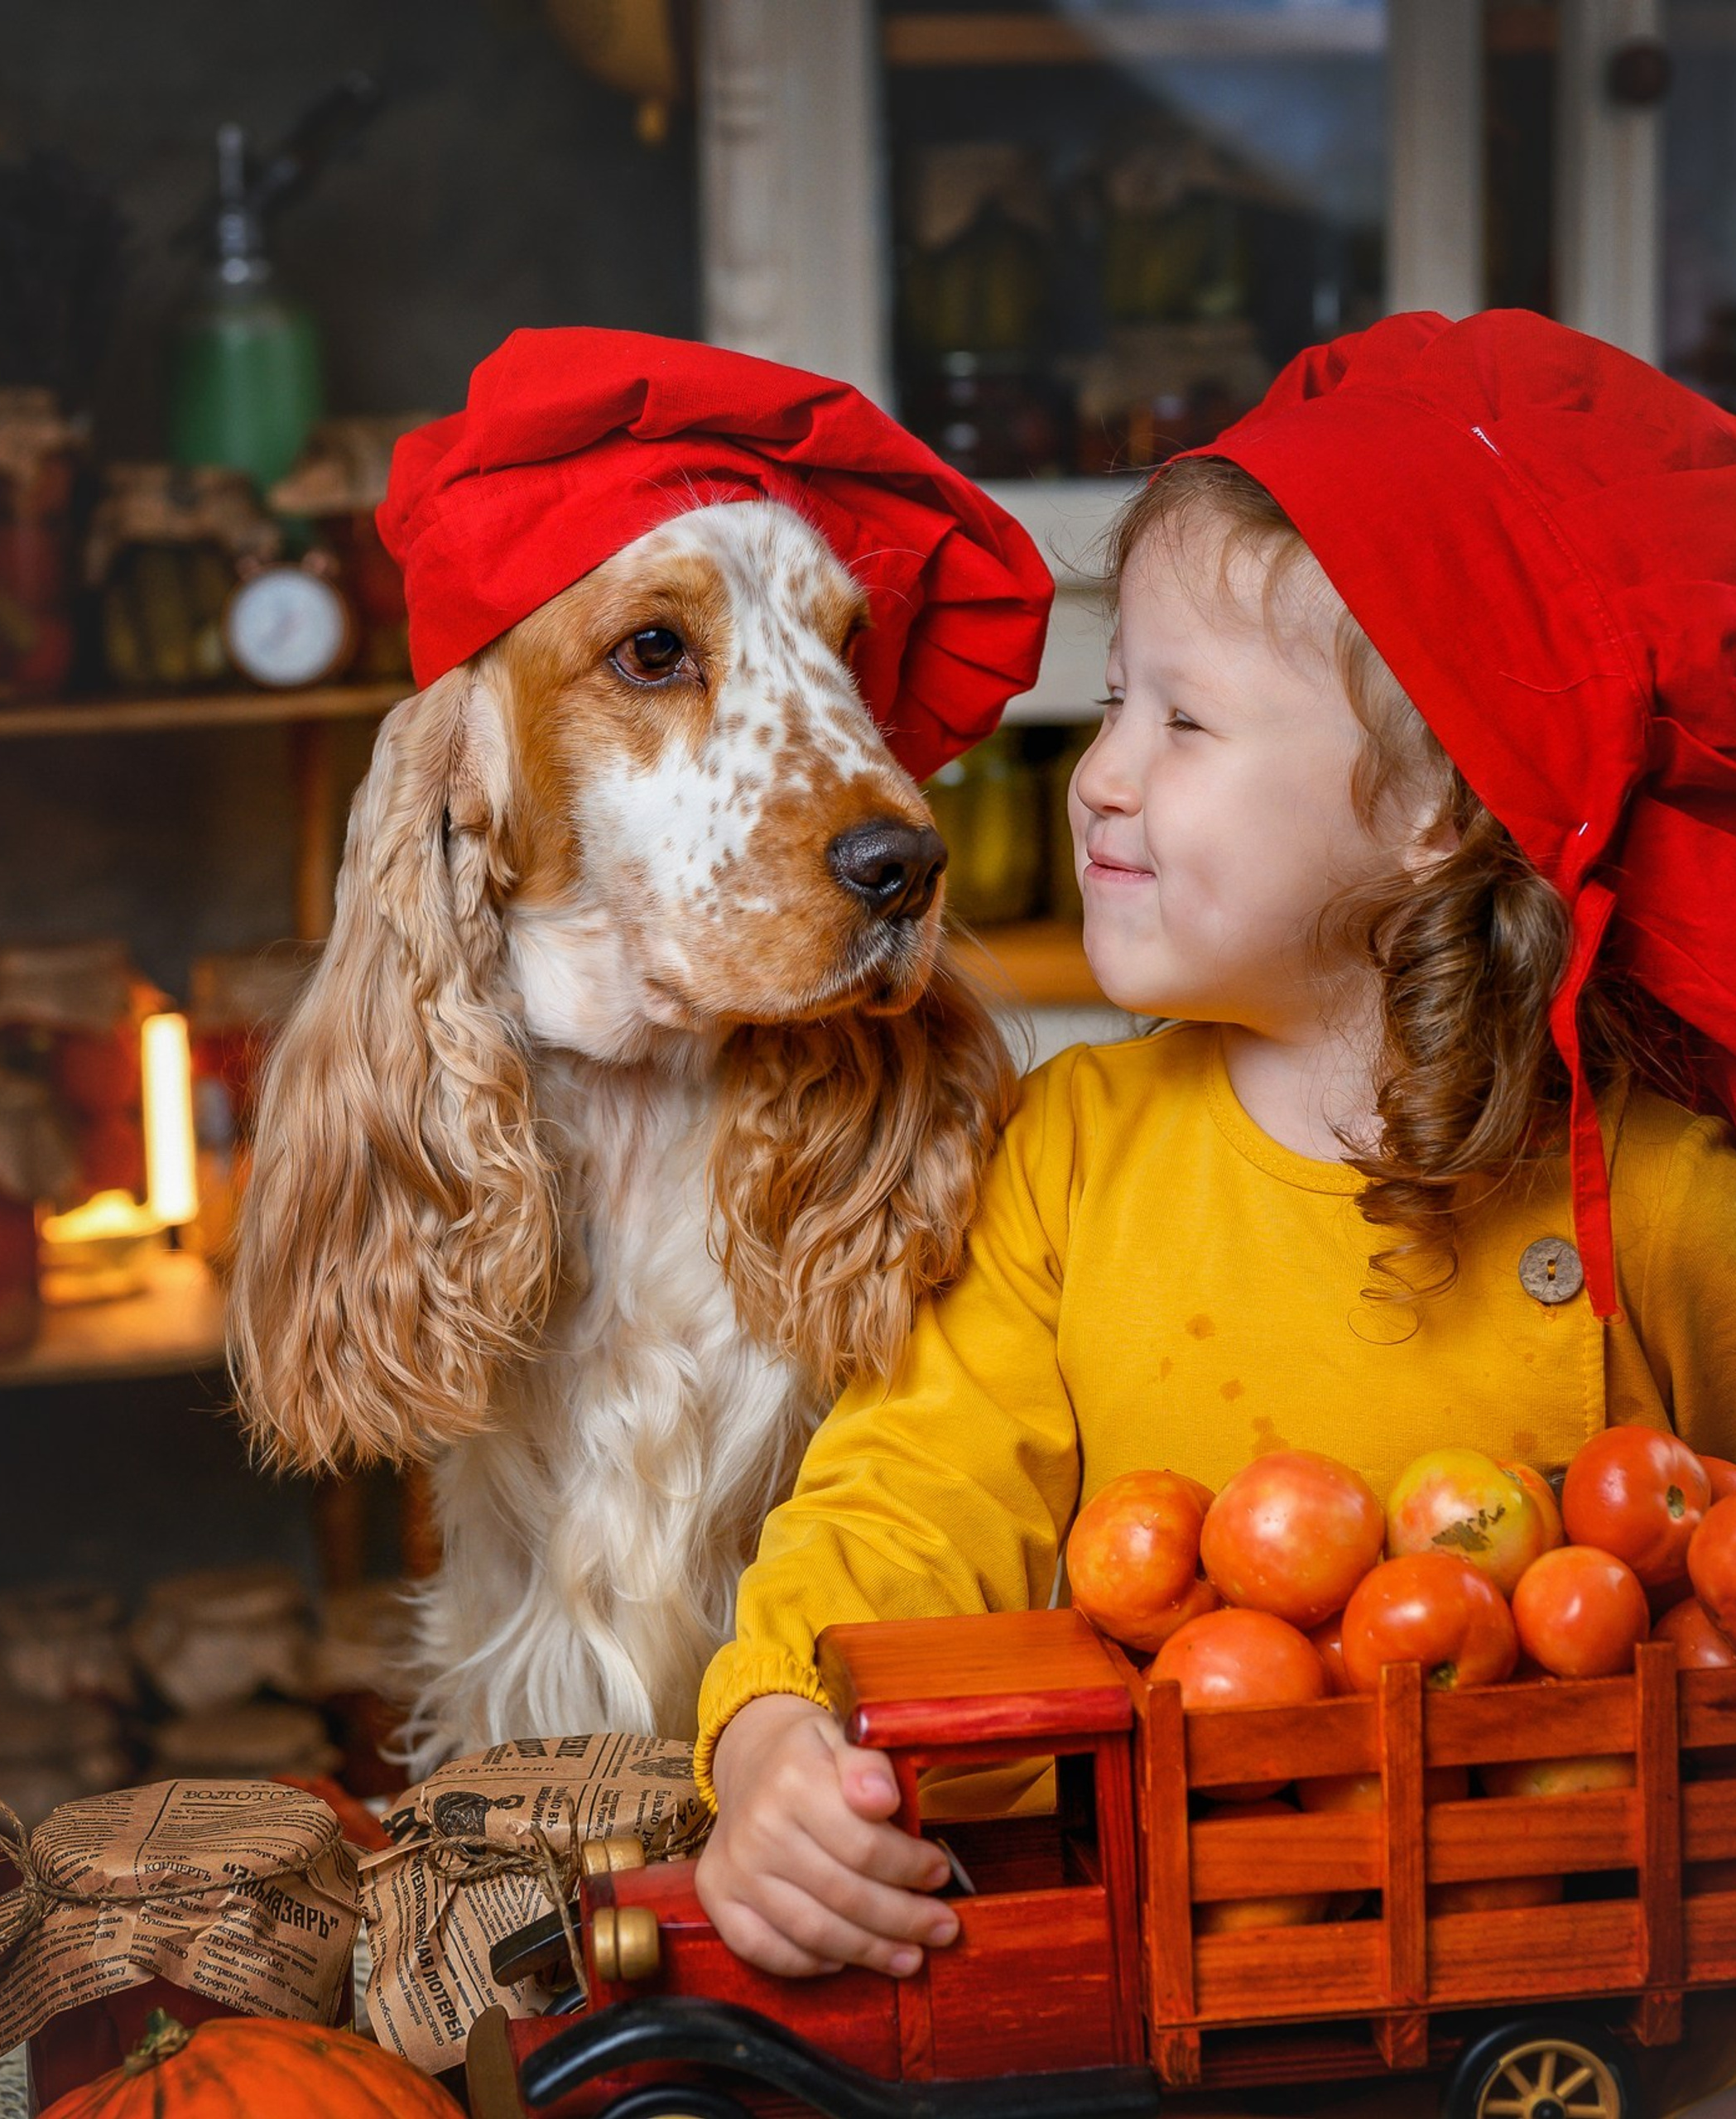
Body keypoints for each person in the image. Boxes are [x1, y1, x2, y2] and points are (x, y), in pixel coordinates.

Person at [690, 309, 1736, 1983]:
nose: (1094, 774)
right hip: (1172, 1964)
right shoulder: (1070, 1154)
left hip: (1594, 1970)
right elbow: (912, 1486)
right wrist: (774, 1737)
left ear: (1431, 806)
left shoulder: (1663, 1189)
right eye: (1111, 704)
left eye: (1181, 723)